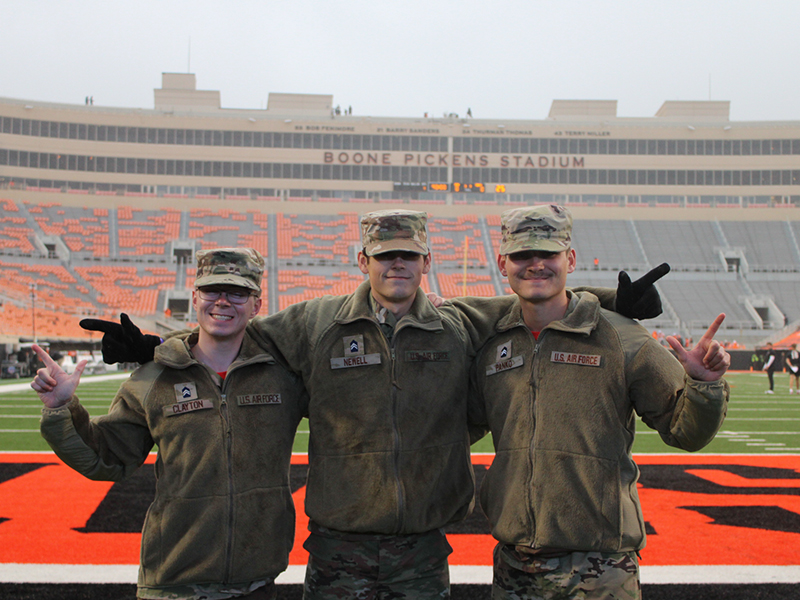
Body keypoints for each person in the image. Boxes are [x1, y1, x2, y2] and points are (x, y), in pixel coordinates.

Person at [81, 210, 668, 600]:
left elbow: (537, 296)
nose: (396, 265)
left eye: (408, 256)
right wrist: (160, 343)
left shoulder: (460, 323)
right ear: (363, 261)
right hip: (340, 546)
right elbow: (230, 330)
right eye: (385, 255)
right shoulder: (314, 322)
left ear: (425, 264)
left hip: (423, 546)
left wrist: (615, 298)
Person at [468, 205, 730, 600]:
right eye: (522, 255)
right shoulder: (493, 340)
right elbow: (464, 422)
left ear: (569, 259)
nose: (535, 264)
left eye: (548, 254)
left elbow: (685, 432)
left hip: (601, 567)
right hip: (515, 565)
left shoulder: (621, 336)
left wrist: (702, 384)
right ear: (503, 262)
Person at [33, 248, 306, 600]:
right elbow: (107, 457)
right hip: (174, 584)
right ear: (195, 297)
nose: (222, 301)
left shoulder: (283, 376)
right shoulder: (153, 377)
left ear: (256, 304)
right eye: (211, 290)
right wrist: (62, 407)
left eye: (237, 292)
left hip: (257, 582)